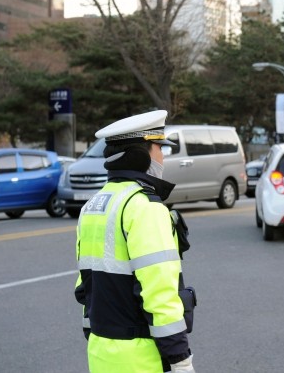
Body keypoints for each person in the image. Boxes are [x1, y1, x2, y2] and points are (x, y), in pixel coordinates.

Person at [74, 110, 195, 373]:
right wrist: (180, 359)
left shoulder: (93, 205)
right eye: (159, 148)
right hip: (141, 358)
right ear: (141, 156)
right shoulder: (145, 208)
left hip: (101, 351)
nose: (163, 156)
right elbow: (159, 292)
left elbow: (86, 287)